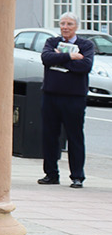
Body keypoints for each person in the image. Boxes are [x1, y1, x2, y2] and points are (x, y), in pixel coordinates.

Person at [40, 12, 93, 188]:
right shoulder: (52, 42)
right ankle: (51, 174)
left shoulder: (85, 45)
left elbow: (85, 66)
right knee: (50, 136)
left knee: (74, 136)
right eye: (62, 23)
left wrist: (59, 59)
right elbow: (46, 58)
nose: (65, 27)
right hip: (51, 95)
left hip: (74, 98)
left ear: (76, 26)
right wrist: (70, 56)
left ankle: (77, 176)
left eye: (69, 24)